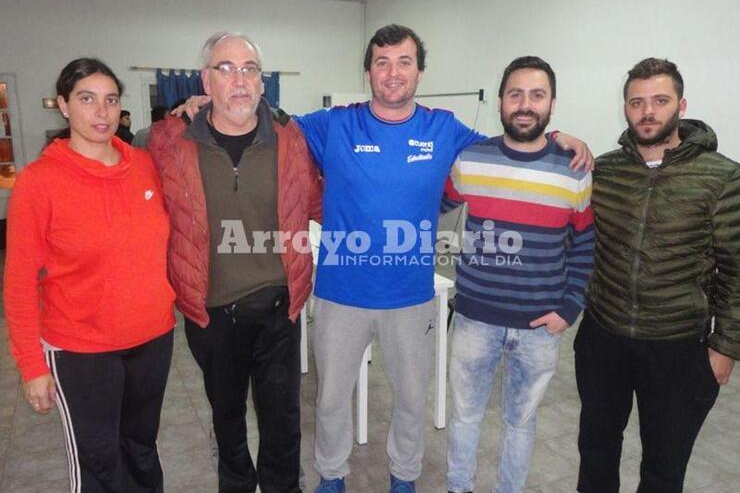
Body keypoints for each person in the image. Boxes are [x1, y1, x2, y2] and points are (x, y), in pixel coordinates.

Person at [176, 25, 592, 493]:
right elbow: (261, 117)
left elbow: (512, 145)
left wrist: (558, 135)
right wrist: (202, 107)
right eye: (382, 62)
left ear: (419, 71)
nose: (393, 73)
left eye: (404, 62)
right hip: (340, 295)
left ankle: (404, 475)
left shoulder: (445, 129)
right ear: (369, 71)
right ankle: (332, 475)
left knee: (412, 400)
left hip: (410, 298)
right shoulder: (331, 124)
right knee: (331, 399)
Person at [147, 32, 322, 493]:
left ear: (262, 83)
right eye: (226, 68)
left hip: (279, 310)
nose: (239, 80)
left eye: (250, 69)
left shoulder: (291, 138)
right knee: (227, 418)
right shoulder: (170, 140)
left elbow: (321, 200)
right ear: (206, 80)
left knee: (283, 420)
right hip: (213, 314)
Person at [4, 57, 176, 492]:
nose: (101, 112)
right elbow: (20, 281)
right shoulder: (38, 182)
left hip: (153, 339)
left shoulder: (142, 165)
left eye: (110, 100)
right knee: (99, 459)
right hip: (82, 350)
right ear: (63, 105)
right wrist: (31, 366)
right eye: (87, 99)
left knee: (141, 447)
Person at [576, 57, 740, 493]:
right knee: (596, 450)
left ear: (680, 105)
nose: (647, 112)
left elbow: (737, 271)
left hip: (676, 346)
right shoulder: (606, 171)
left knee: (665, 466)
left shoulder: (721, 176)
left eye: (660, 101)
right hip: (603, 337)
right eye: (637, 102)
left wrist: (725, 346)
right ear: (625, 108)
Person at [443, 56, 594, 493]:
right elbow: (430, 203)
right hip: (475, 319)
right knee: (465, 416)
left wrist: (569, 308)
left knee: (520, 424)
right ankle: (459, 487)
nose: (525, 104)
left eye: (536, 94)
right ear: (500, 102)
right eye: (515, 94)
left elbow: (584, 243)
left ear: (551, 103)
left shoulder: (574, 170)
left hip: (540, 327)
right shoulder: (471, 159)